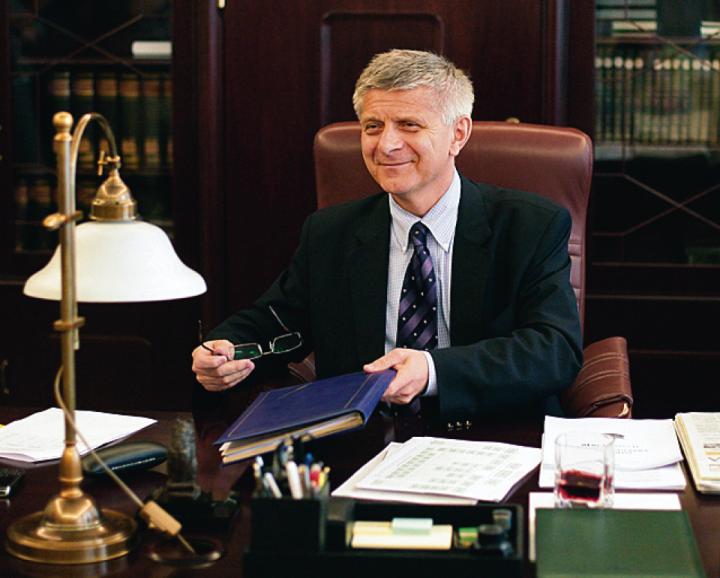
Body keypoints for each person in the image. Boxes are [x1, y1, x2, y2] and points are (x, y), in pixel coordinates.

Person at [192, 49, 582, 420]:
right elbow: (276, 323)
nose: (387, 145)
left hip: (492, 436)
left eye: (409, 125)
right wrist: (225, 351)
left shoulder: (530, 226)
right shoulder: (330, 233)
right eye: (373, 127)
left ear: (458, 134)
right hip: (365, 441)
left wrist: (432, 371)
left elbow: (555, 350)